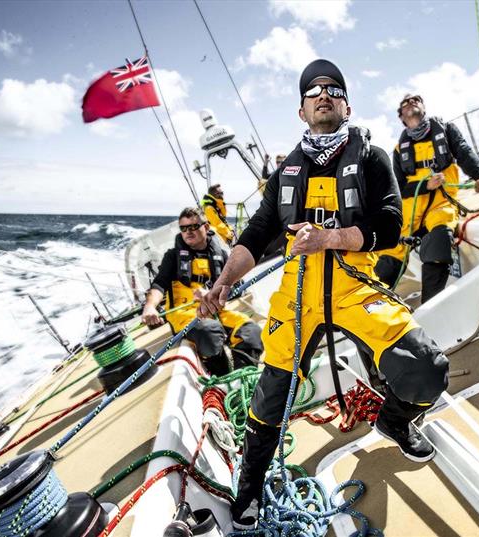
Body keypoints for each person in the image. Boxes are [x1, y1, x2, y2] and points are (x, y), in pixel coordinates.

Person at [198, 60, 449, 529]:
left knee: (428, 370)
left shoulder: (373, 158)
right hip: (298, 296)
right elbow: (255, 235)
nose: (323, 94)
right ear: (301, 110)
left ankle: (394, 420)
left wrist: (331, 238)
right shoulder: (283, 175)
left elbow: (392, 226)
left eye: (333, 88)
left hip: (356, 286)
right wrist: (223, 282)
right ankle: (249, 490)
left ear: (346, 104)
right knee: (269, 399)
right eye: (313, 91)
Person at [374, 93, 479, 303]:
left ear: (424, 108)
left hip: (441, 204)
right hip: (411, 211)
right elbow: (399, 188)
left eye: (416, 100)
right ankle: (373, 300)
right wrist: (425, 186)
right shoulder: (399, 150)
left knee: (438, 238)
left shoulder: (446, 131)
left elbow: (464, 152)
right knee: (391, 249)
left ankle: (430, 305)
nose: (411, 102)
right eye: (405, 103)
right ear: (401, 116)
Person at [142, 207, 261, 376]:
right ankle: (222, 378)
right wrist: (150, 307)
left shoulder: (221, 256)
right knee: (210, 331)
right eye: (183, 228)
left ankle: (244, 377)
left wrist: (214, 294)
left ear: (205, 227)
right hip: (185, 315)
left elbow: (233, 286)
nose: (188, 232)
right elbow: (159, 285)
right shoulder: (172, 257)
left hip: (216, 311)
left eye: (193, 227)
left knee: (250, 330)